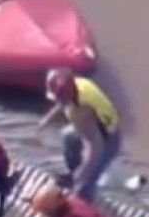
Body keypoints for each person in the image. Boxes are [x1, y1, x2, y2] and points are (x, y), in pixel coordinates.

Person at [37, 68, 121, 201]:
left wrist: (83, 172)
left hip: (106, 139)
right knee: (68, 137)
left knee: (85, 184)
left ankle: (85, 203)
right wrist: (46, 120)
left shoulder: (84, 110)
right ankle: (74, 173)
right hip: (89, 128)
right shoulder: (76, 84)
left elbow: (94, 146)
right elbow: (62, 102)